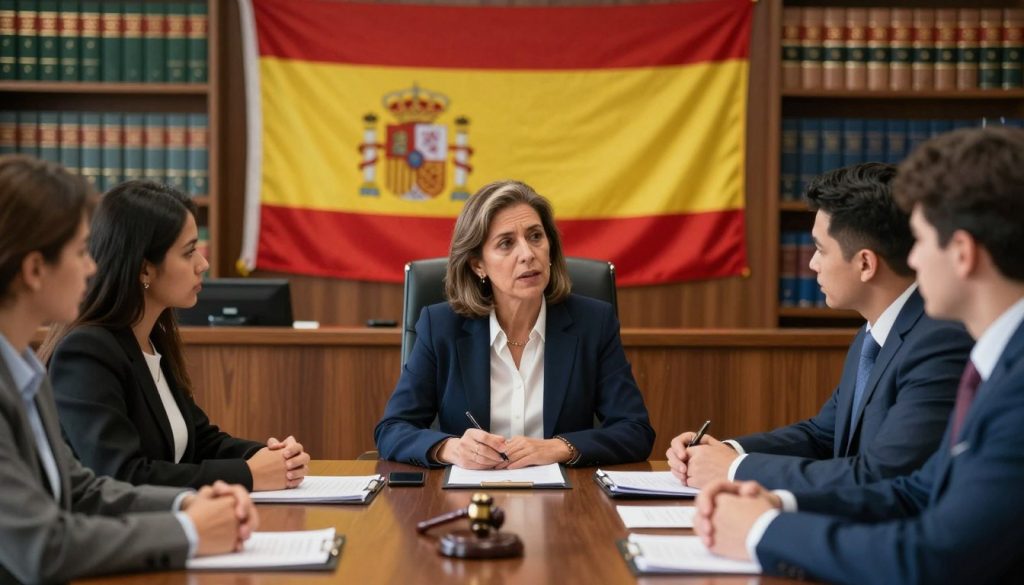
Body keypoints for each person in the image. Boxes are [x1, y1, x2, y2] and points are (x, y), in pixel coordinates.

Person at [694, 127, 1024, 584]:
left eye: (922, 240)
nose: (913, 258)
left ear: (963, 254)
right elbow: (914, 491)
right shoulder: (996, 361)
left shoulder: (1011, 381)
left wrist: (763, 530)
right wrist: (779, 503)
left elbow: (932, 557)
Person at [0, 155, 257, 583]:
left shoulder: (22, 372)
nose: (93, 267)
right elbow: (43, 547)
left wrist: (183, 506)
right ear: (33, 270)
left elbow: (80, 489)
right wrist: (187, 531)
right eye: (81, 252)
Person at [668, 163, 972, 490]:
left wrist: (734, 469)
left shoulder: (939, 341)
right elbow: (823, 435)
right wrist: (726, 451)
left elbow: (882, 476)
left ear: (866, 264)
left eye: (820, 249)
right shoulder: (873, 335)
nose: (812, 264)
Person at [39, 180, 310, 491]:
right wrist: (248, 474)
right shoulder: (87, 351)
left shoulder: (151, 339)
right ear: (144, 270)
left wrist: (271, 457)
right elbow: (121, 475)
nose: (203, 264)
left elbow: (199, 440)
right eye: (189, 252)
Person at [374, 180, 654, 469]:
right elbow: (392, 430)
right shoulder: (441, 326)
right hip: (469, 502)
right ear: (477, 265)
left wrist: (559, 448)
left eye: (535, 236)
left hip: (567, 502)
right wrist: (451, 448)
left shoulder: (593, 323)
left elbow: (635, 431)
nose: (528, 254)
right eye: (506, 243)